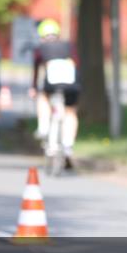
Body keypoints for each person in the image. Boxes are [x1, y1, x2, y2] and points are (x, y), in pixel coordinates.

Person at [30, 18, 80, 171]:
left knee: (43, 97)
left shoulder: (41, 48)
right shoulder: (68, 46)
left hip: (51, 85)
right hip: (71, 85)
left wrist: (33, 87)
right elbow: (76, 65)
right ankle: (68, 145)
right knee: (70, 112)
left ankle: (43, 127)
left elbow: (37, 70)